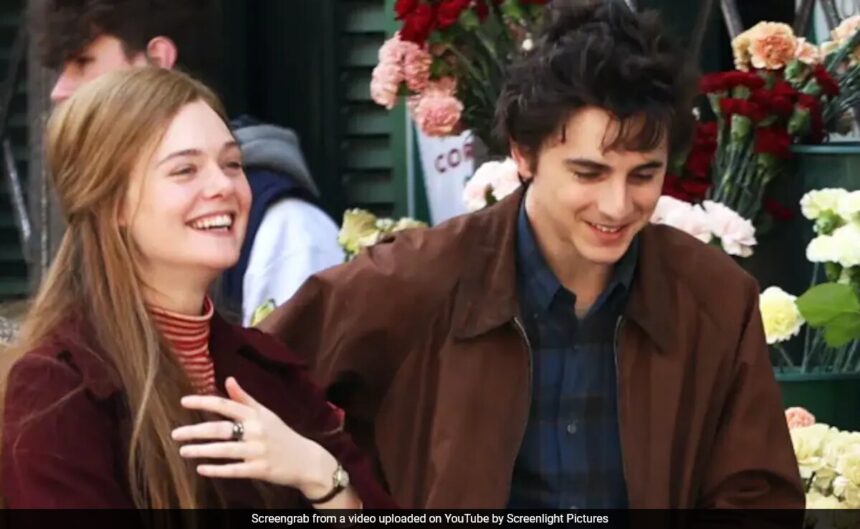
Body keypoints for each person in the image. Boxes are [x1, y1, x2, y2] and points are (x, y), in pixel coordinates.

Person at [258, 0, 804, 509]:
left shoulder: (713, 297)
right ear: (523, 154)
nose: (617, 205)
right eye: (588, 173)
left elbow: (757, 497)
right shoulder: (414, 280)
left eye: (643, 175)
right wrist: (336, 491)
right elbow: (244, 388)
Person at [1, 67, 393, 509]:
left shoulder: (268, 369)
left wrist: (318, 473)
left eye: (232, 164)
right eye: (185, 170)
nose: (224, 186)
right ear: (113, 204)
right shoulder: (58, 388)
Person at [29, 0, 343, 325]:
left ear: (157, 59)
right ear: (117, 207)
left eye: (83, 62)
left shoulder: (285, 232)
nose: (58, 91)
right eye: (184, 171)